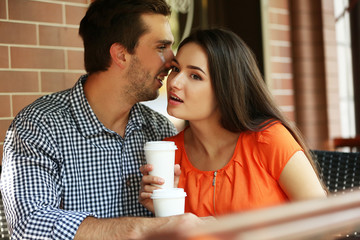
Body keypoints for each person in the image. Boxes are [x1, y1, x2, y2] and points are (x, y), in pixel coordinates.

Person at [0, 0, 203, 239]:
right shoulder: (38, 126)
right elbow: (29, 225)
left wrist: (168, 207)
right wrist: (138, 229)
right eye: (161, 47)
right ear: (121, 54)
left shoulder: (160, 130)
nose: (172, 61)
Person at [139, 28, 327, 217]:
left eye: (195, 76)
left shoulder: (268, 140)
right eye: (176, 69)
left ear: (226, 87)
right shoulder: (170, 156)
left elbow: (324, 222)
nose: (174, 82)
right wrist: (165, 211)